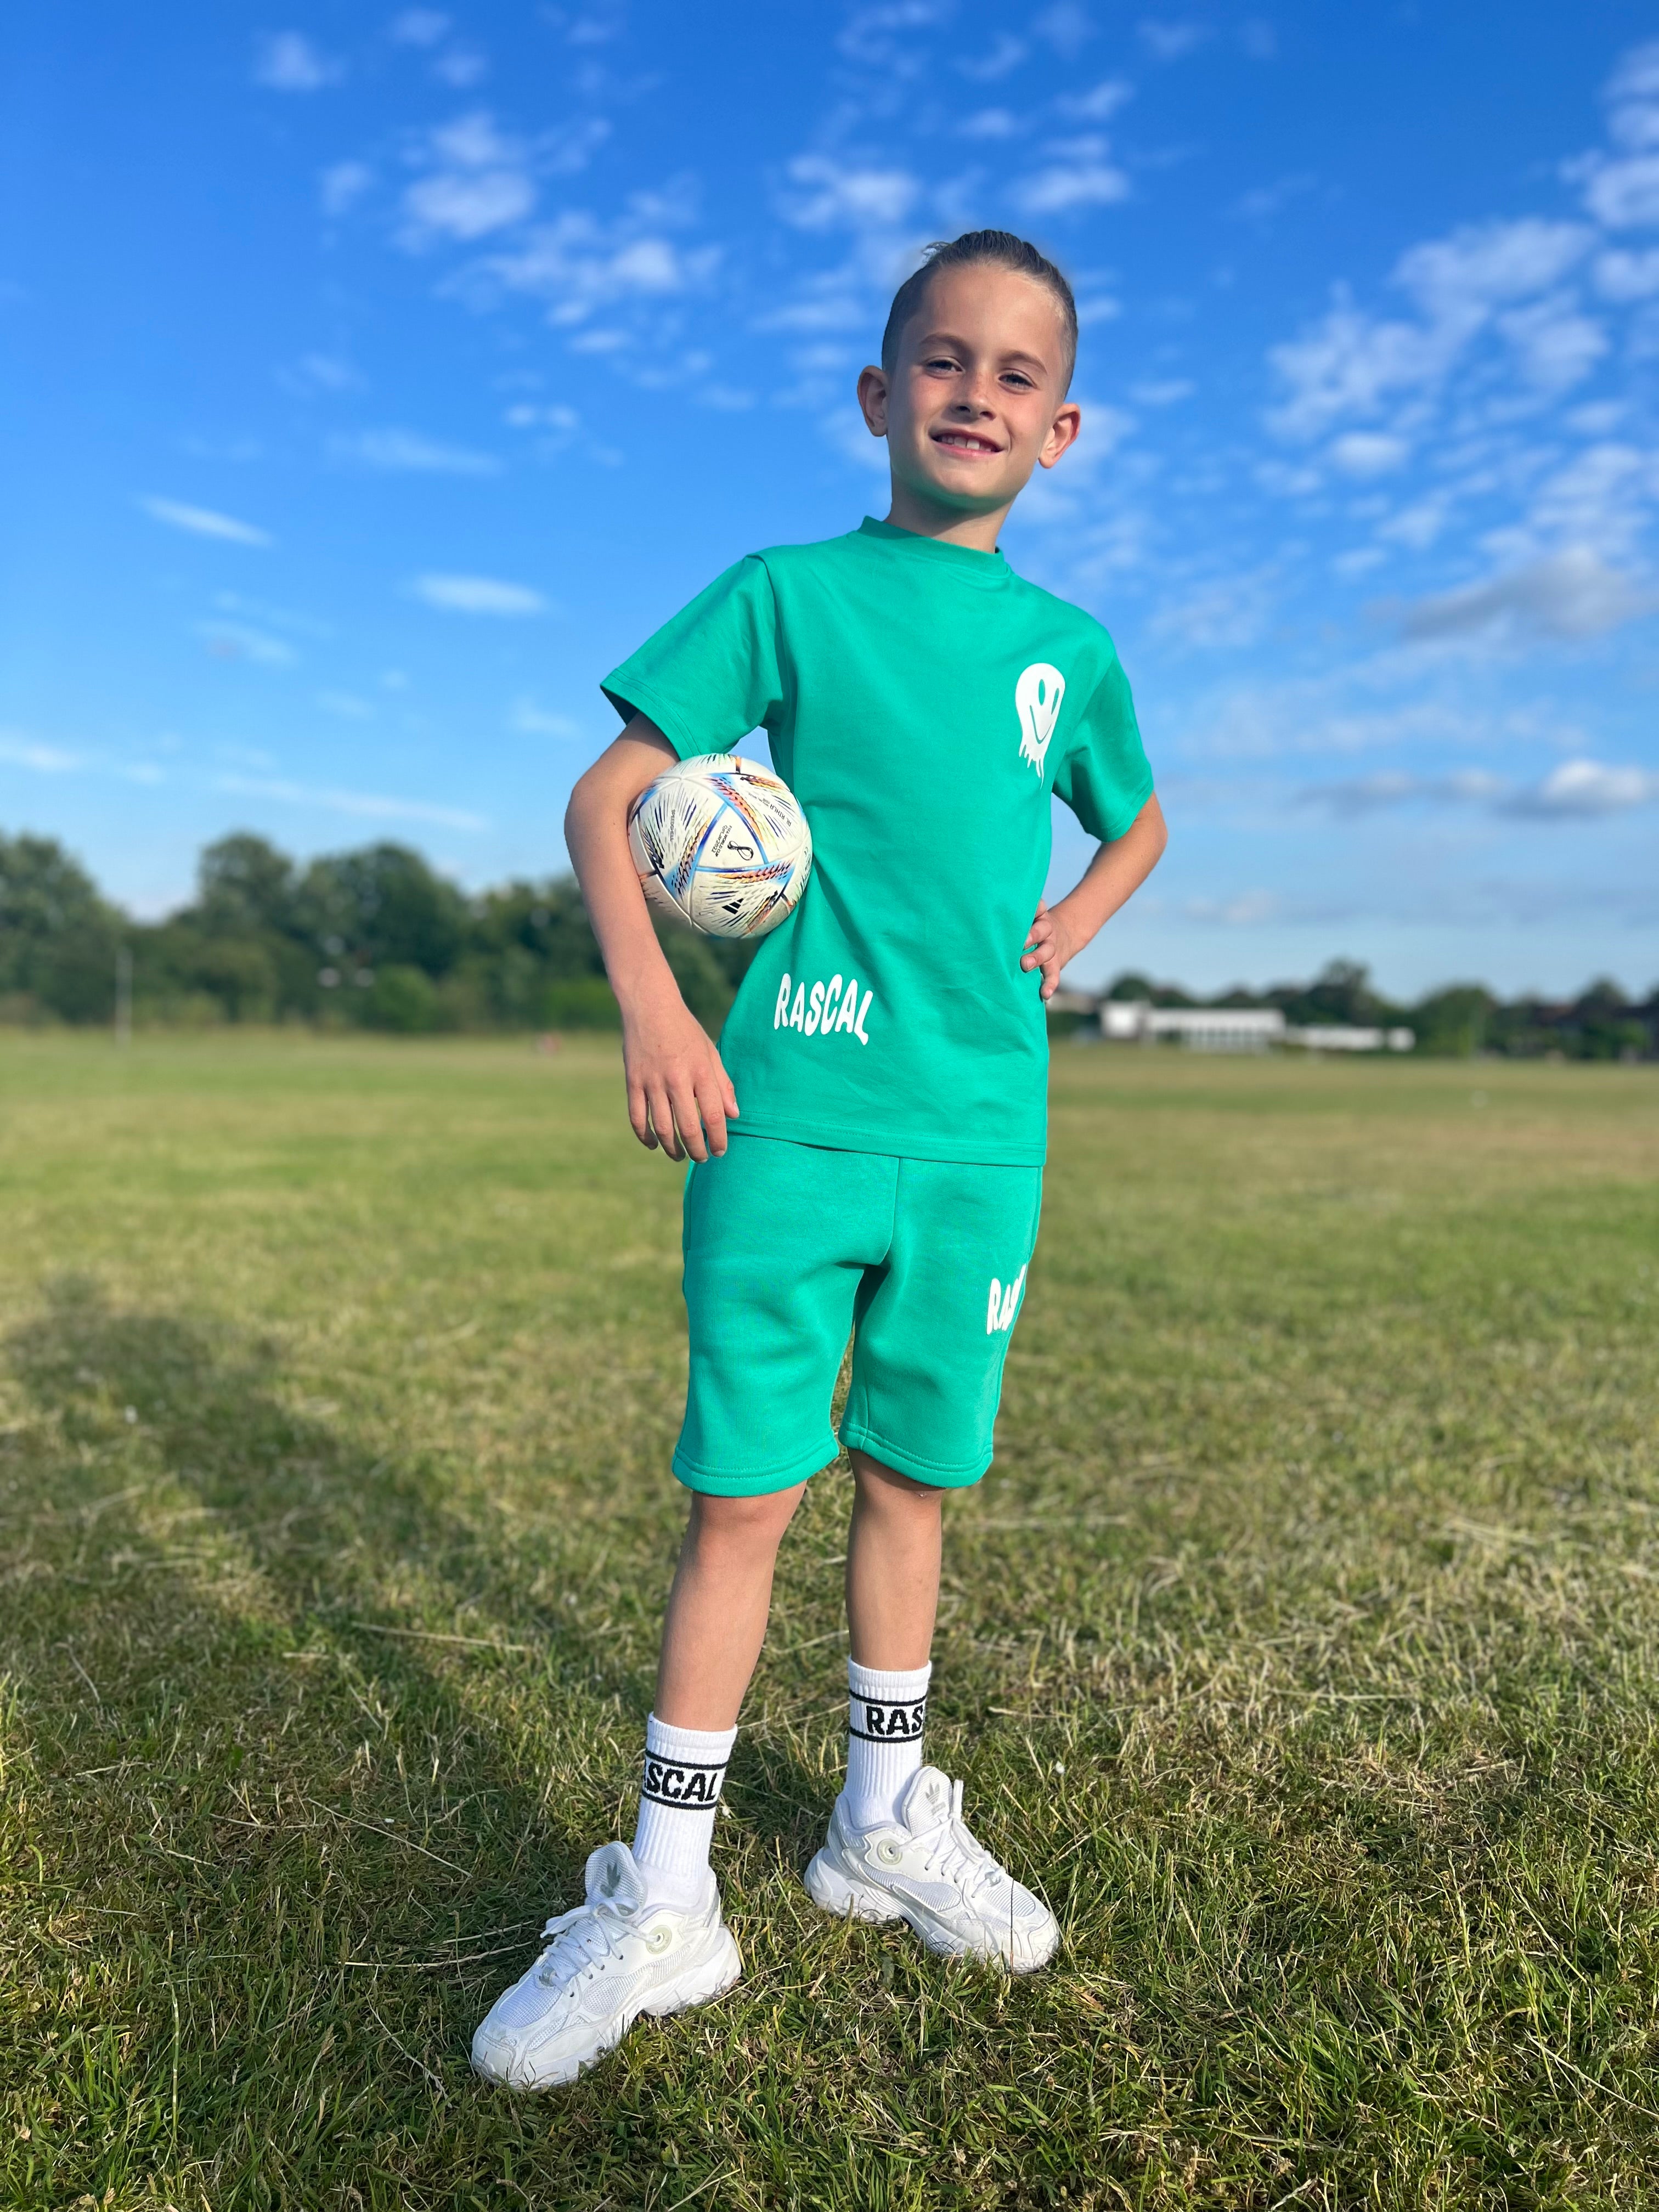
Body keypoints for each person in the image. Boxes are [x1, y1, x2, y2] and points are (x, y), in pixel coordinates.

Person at [471, 230, 1167, 2091]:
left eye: (1016, 376)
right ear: (879, 395)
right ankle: (669, 1900)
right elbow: (604, 796)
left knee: (913, 1485)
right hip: (784, 1111)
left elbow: (1144, 810)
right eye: (942, 361)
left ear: (1063, 428)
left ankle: (877, 1829)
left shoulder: (1068, 651)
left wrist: (1082, 907)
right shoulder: (785, 593)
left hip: (977, 1136)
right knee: (743, 1500)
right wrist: (656, 1007)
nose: (975, 394)